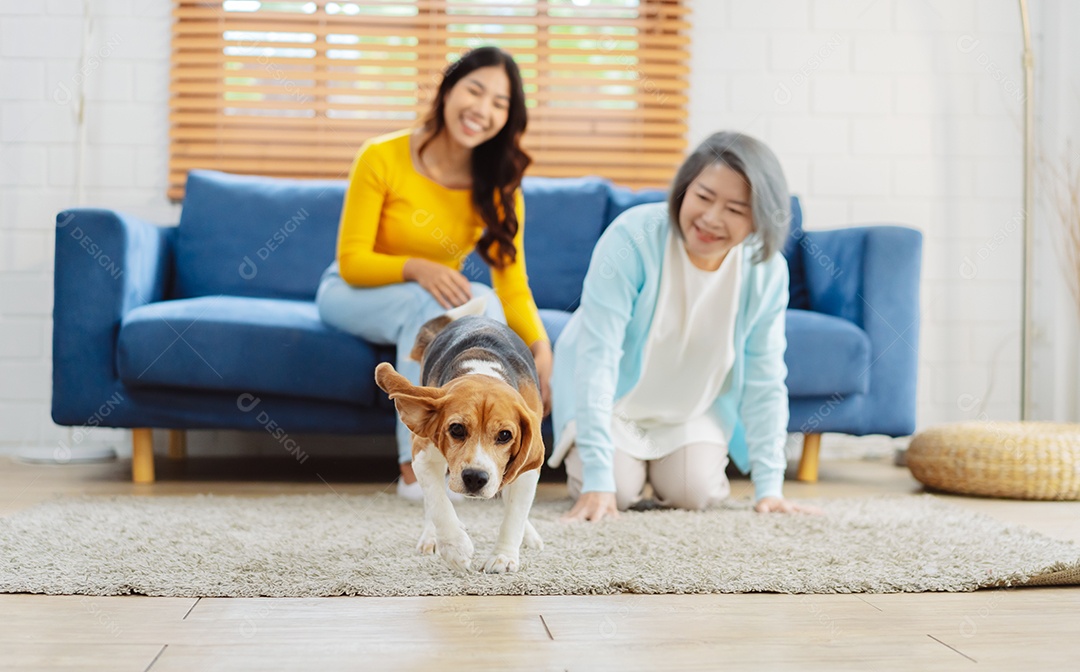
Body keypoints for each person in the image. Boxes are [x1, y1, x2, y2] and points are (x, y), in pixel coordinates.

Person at [316, 47, 552, 500]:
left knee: (487, 300)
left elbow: (512, 285)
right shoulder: (382, 156)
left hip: (430, 297)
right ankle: (416, 463)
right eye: (475, 90)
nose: (483, 110)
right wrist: (419, 268)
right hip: (351, 290)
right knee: (427, 303)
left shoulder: (499, 183)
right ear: (448, 90)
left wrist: (539, 348)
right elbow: (352, 260)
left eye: (500, 103)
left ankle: (483, 458)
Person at [549, 131, 820, 521]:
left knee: (693, 492)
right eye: (704, 197)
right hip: (614, 404)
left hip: (691, 409)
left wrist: (770, 487)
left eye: (736, 209)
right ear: (683, 189)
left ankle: (660, 469)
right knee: (616, 491)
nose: (711, 219)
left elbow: (765, 378)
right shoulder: (633, 236)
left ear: (760, 218)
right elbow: (598, 358)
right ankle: (612, 468)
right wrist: (596, 477)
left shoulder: (765, 271)